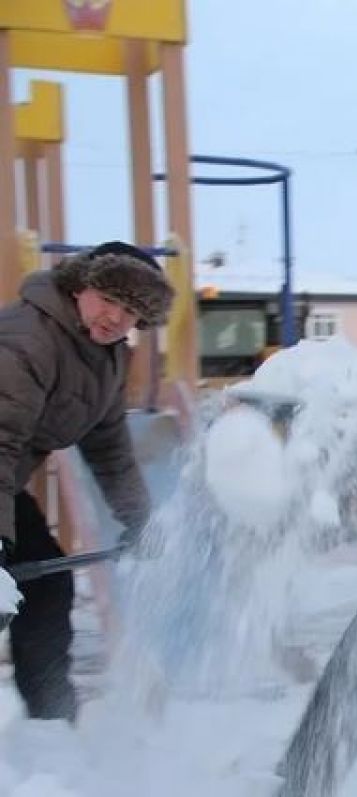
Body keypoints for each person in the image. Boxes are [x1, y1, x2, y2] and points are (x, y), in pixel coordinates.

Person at [0, 241, 174, 720]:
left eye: (132, 311)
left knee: (45, 585)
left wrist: (141, 520)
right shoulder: (28, 340)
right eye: (109, 299)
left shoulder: (106, 357)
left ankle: (50, 722)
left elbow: (110, 449)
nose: (116, 318)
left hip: (5, 486)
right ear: (82, 286)